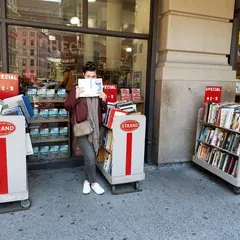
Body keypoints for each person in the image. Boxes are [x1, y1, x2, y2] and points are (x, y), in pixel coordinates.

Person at [64, 62, 107, 195]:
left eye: (93, 76)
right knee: (90, 155)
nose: (91, 79)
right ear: (83, 76)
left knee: (91, 156)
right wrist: (76, 96)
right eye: (88, 76)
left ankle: (86, 181)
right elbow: (67, 106)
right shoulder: (76, 88)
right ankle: (94, 182)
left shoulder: (99, 89)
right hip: (82, 127)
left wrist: (103, 99)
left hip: (95, 127)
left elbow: (103, 110)